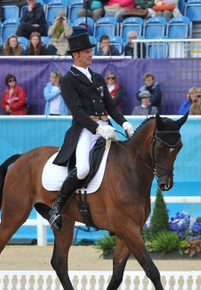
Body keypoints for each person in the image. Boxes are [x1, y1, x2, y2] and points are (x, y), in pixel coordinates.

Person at [49, 33, 134, 231]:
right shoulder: (68, 81)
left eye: (90, 51)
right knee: (84, 169)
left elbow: (111, 106)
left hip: (107, 127)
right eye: (87, 51)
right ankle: (58, 206)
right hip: (85, 130)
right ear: (76, 55)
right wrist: (97, 128)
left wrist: (125, 123)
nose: (90, 54)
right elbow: (77, 112)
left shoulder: (97, 78)